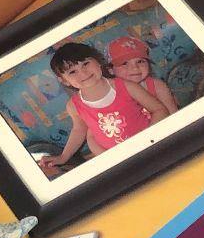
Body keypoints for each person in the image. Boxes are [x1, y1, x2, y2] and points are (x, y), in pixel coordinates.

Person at [39, 42, 167, 170]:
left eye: (85, 64)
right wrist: (63, 157)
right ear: (64, 81)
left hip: (151, 145)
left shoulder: (126, 86)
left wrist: (148, 137)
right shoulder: (73, 106)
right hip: (118, 161)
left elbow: (159, 109)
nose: (83, 72)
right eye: (72, 71)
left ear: (98, 62)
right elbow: (79, 130)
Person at [108, 36, 178, 115]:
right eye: (124, 63)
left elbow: (174, 114)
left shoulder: (157, 85)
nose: (135, 68)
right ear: (110, 70)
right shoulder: (110, 94)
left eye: (140, 61)